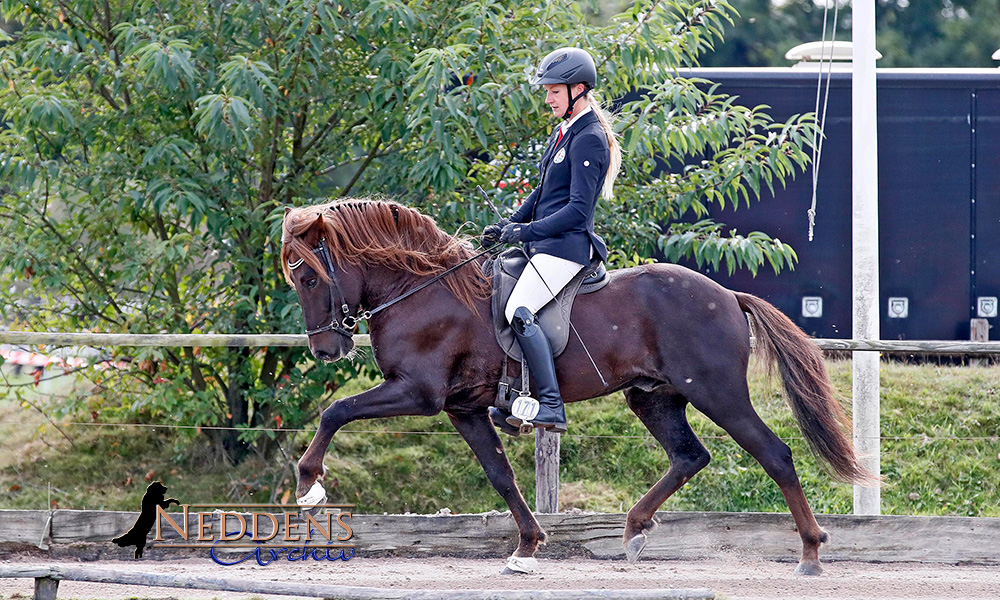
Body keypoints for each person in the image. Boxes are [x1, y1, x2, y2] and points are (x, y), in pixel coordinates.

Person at [482, 47, 622, 434]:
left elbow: (578, 211)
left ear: (578, 89)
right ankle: (514, 400)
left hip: (567, 249)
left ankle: (550, 405)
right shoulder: (564, 131)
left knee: (520, 309)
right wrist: (508, 224)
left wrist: (524, 232)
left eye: (553, 92)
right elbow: (543, 193)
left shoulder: (589, 137)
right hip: (544, 246)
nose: (547, 99)